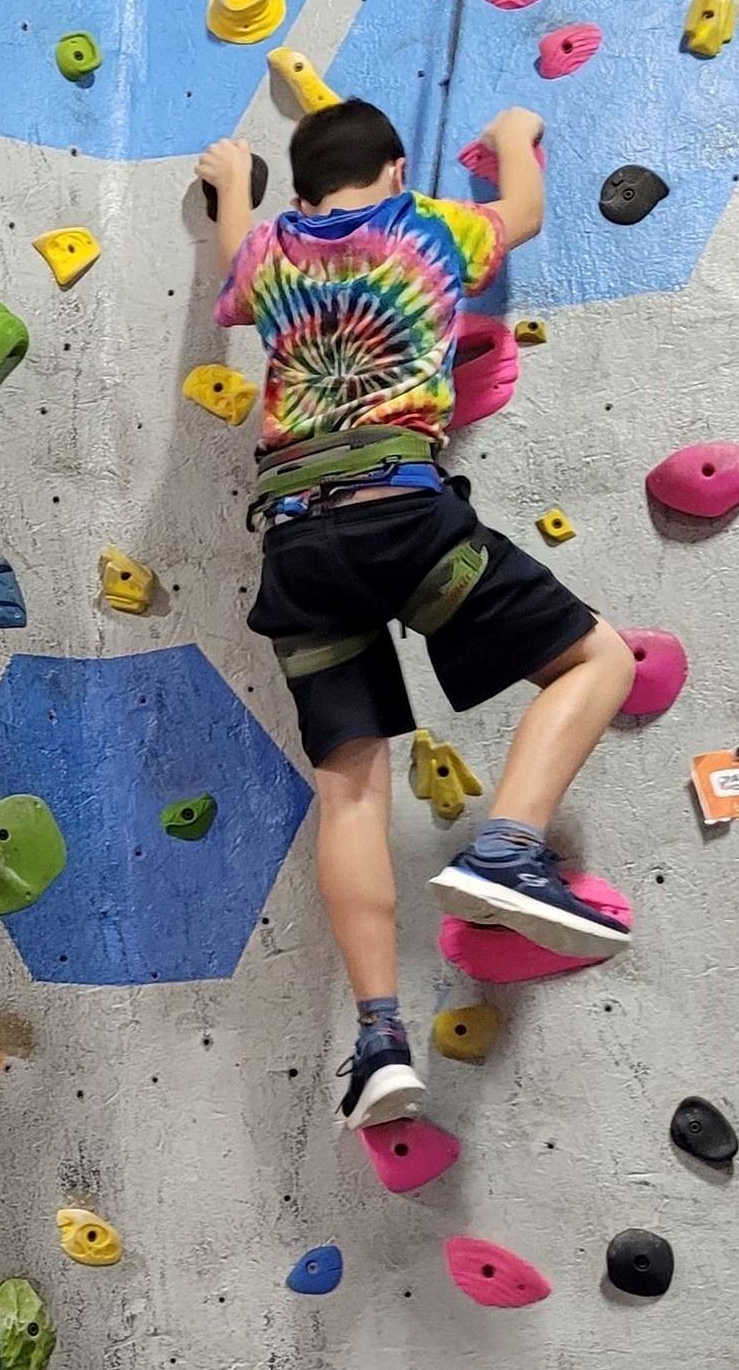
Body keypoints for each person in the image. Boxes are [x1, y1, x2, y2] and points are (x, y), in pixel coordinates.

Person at [198, 104, 636, 1131]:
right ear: (393, 170)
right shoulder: (430, 224)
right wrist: (521, 132)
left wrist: (230, 186)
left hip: (298, 541)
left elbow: (232, 269)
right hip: (403, 518)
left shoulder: (267, 250)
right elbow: (520, 210)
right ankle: (507, 848)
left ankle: (377, 1036)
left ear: (299, 193)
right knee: (592, 662)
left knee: (346, 787)